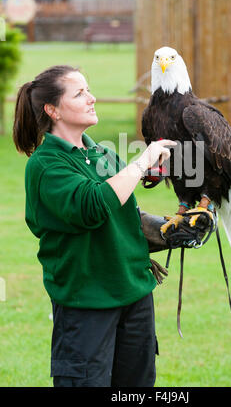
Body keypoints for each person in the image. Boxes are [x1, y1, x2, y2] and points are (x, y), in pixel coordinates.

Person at [13, 65, 177, 387]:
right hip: (86, 304)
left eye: (88, 90)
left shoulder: (104, 154)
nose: (92, 98)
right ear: (53, 109)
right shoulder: (46, 165)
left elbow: (125, 215)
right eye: (80, 93)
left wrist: (173, 229)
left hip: (135, 296)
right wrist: (141, 162)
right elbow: (92, 206)